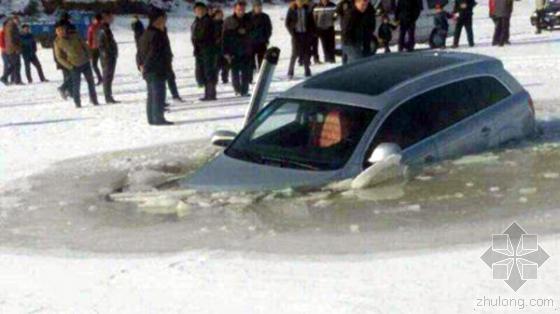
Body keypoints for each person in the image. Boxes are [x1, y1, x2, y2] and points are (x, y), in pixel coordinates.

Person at [137, 8, 174, 125]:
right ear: (159, 19)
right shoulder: (157, 34)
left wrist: (140, 65)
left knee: (151, 94)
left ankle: (152, 119)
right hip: (156, 69)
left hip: (148, 69)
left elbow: (138, 52)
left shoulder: (145, 33)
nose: (165, 21)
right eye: (164, 18)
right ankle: (158, 118)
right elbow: (153, 53)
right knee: (158, 94)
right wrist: (146, 66)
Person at [54, 22, 99, 108]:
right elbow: (59, 57)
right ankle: (77, 103)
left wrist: (89, 55)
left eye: (62, 30)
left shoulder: (75, 36)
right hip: (74, 65)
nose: (60, 32)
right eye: (58, 31)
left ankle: (94, 100)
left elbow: (84, 45)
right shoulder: (57, 42)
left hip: (85, 62)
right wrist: (69, 66)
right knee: (76, 85)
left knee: (91, 82)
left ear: (65, 30)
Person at [223, 0, 253, 96]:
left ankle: (244, 90)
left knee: (245, 72)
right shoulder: (228, 20)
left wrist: (246, 32)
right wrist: (225, 51)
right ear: (235, 9)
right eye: (239, 9)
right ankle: (237, 89)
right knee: (235, 72)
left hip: (246, 50)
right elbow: (224, 36)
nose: (241, 11)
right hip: (233, 50)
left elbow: (254, 33)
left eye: (243, 9)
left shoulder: (249, 20)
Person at [191, 1, 219, 101]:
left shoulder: (208, 21)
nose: (199, 12)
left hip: (208, 50)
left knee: (209, 71)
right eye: (197, 10)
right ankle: (208, 93)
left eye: (201, 10)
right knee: (201, 71)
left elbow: (204, 36)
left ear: (205, 10)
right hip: (199, 50)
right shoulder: (196, 21)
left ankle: (211, 94)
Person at [286, 0, 315, 79]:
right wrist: (292, 32)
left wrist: (311, 33)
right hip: (296, 34)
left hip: (305, 34)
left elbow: (311, 22)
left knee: (306, 53)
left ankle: (307, 70)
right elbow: (287, 23)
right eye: (298, 1)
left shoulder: (307, 9)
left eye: (302, 1)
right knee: (295, 53)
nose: (300, 2)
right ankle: (290, 71)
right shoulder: (292, 9)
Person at [98, 11, 119, 104]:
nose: (112, 19)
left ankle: (109, 96)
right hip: (107, 57)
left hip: (110, 55)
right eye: (111, 17)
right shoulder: (103, 28)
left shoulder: (106, 28)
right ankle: (108, 97)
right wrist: (106, 53)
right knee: (107, 77)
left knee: (109, 77)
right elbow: (102, 44)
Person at [248, 0, 273, 76]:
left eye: (260, 6)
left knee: (262, 61)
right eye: (257, 7)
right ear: (253, 7)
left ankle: (261, 75)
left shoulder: (265, 17)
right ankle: (250, 77)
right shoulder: (248, 16)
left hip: (262, 42)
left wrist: (266, 38)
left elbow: (269, 28)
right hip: (250, 43)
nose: (259, 8)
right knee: (250, 62)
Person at [1, 15, 23, 85]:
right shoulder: (11, 26)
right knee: (16, 65)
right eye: (16, 19)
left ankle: (15, 80)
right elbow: (11, 39)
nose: (18, 21)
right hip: (12, 49)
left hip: (11, 48)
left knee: (15, 65)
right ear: (13, 19)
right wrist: (16, 48)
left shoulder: (12, 25)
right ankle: (6, 78)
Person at [213, 8, 229, 84]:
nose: (220, 16)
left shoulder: (225, 23)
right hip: (215, 48)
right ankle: (215, 79)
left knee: (225, 65)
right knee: (216, 65)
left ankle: (225, 78)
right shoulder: (212, 24)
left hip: (225, 47)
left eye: (221, 15)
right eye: (218, 15)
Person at [87, 14, 103, 85]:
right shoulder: (103, 26)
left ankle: (100, 78)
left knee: (94, 64)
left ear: (96, 19)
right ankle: (104, 78)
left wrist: (89, 48)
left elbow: (89, 38)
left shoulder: (92, 27)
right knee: (104, 64)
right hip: (103, 48)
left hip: (94, 48)